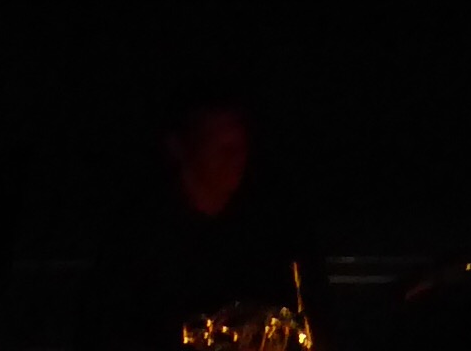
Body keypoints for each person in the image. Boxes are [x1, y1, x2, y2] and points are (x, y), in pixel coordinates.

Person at [88, 95, 307, 351]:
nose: (235, 156)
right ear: (180, 148)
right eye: (218, 144)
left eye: (239, 145)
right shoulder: (137, 241)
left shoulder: (267, 233)